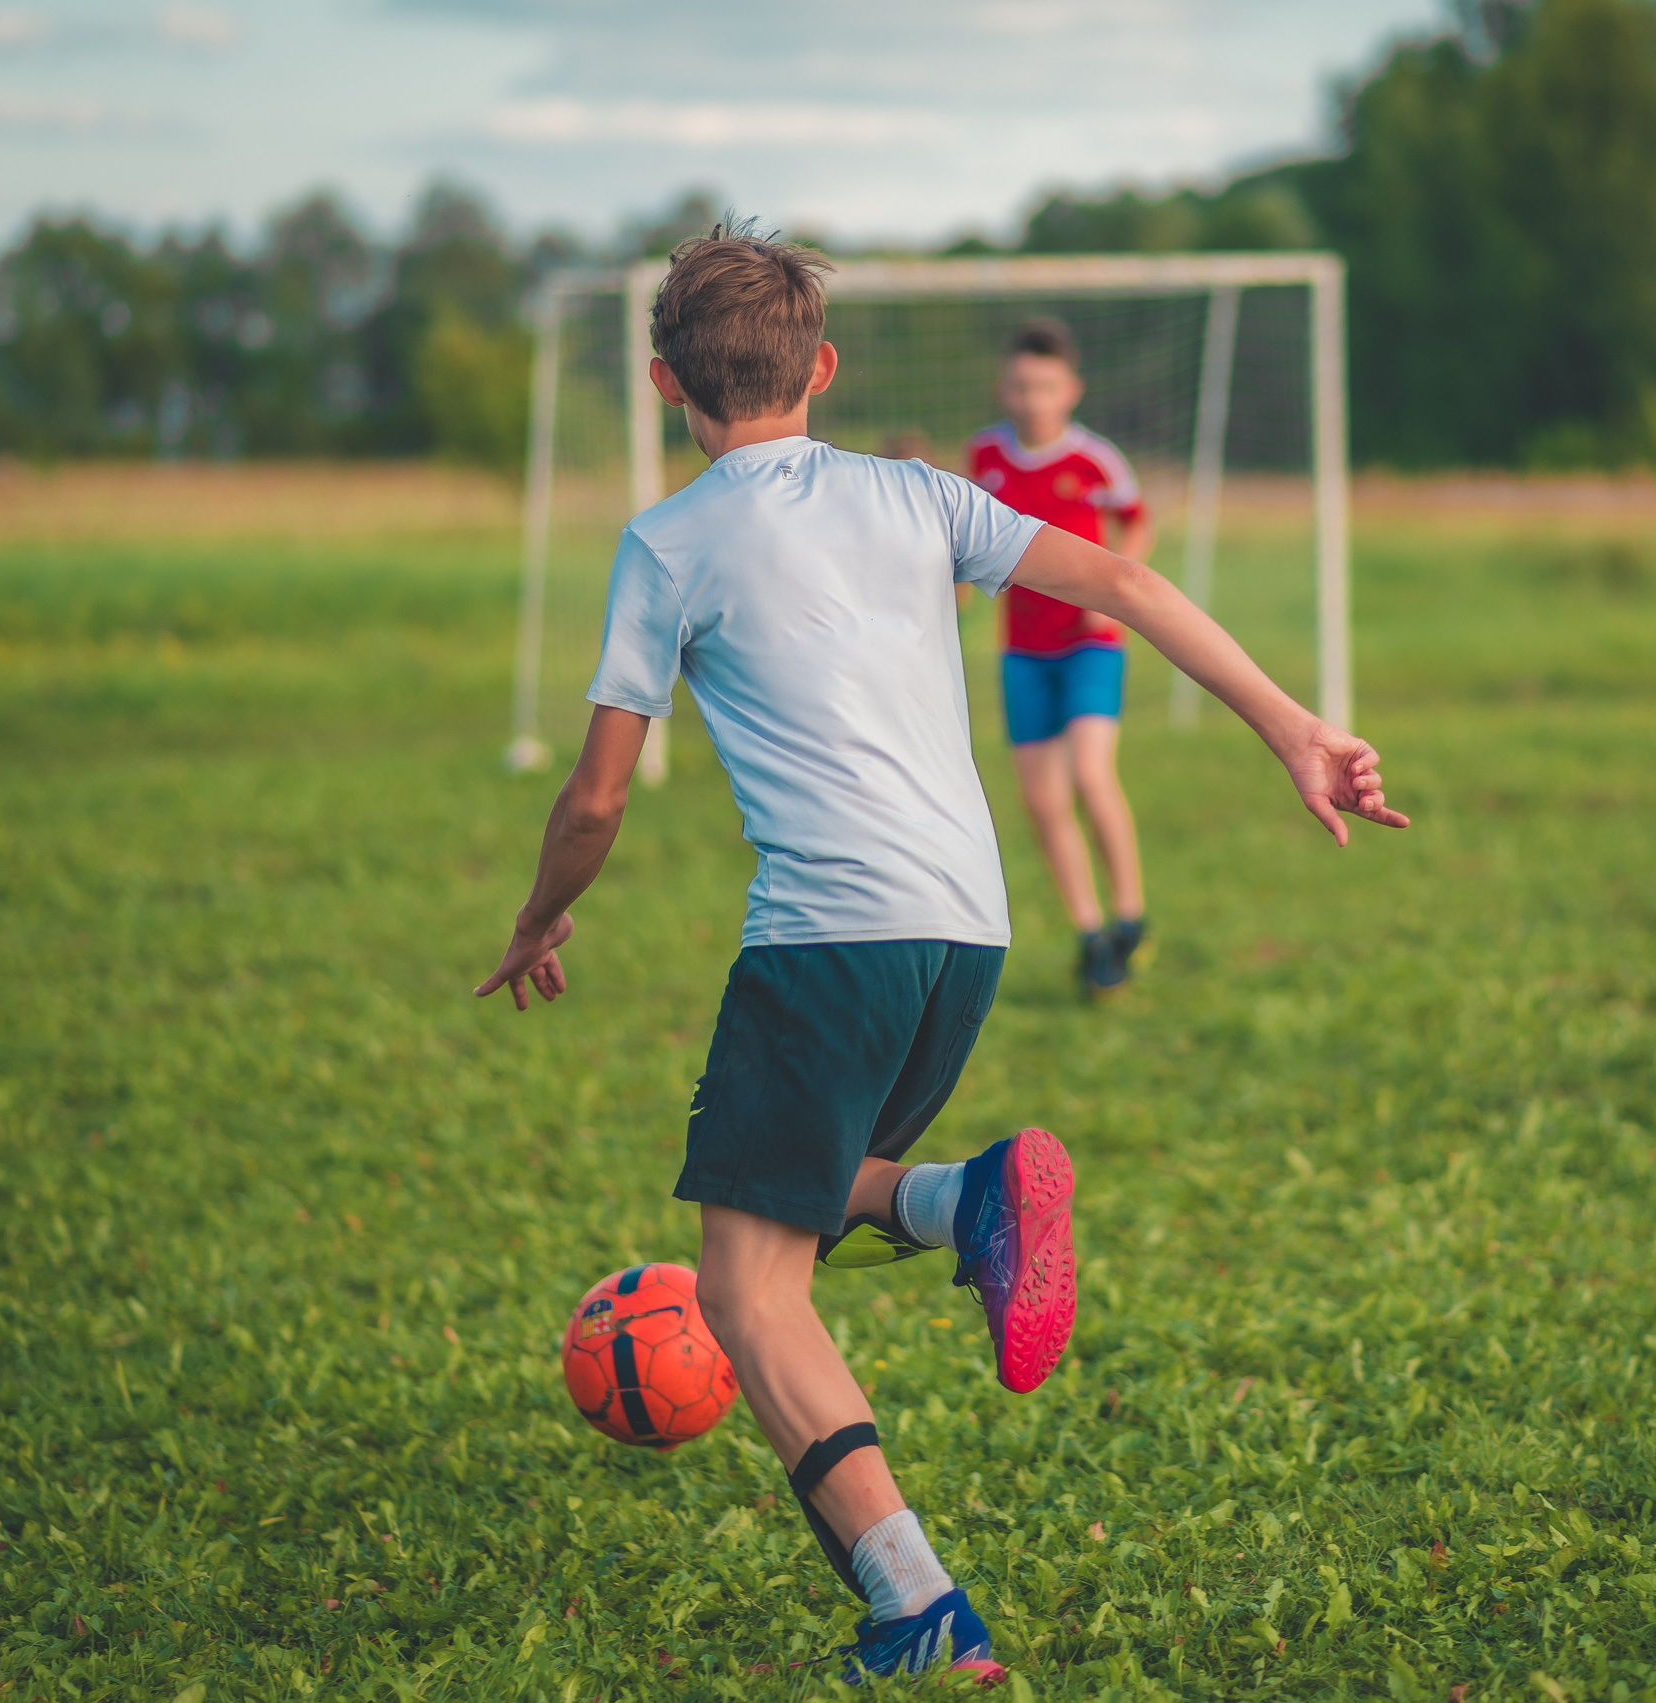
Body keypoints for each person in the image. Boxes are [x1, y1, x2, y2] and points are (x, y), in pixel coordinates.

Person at [473, 226, 1406, 1685]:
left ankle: (919, 1606)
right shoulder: (917, 492)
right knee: (784, 1200)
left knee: (744, 1286)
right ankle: (960, 1197)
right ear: (824, 369)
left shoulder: (667, 540)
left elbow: (597, 792)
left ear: (665, 381)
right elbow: (1134, 589)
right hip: (966, 929)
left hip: (828, 935)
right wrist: (1299, 728)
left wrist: (538, 915)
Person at [967, 321, 1154, 995]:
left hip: (1090, 643)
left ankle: (1131, 912)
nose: (1032, 397)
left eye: (1045, 385)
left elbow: (1137, 517)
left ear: (1070, 390)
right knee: (1043, 799)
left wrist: (1114, 587)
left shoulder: (1094, 461)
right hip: (1024, 650)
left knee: (1090, 774)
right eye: (1020, 385)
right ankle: (1091, 932)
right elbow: (969, 536)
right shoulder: (985, 455)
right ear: (1003, 388)